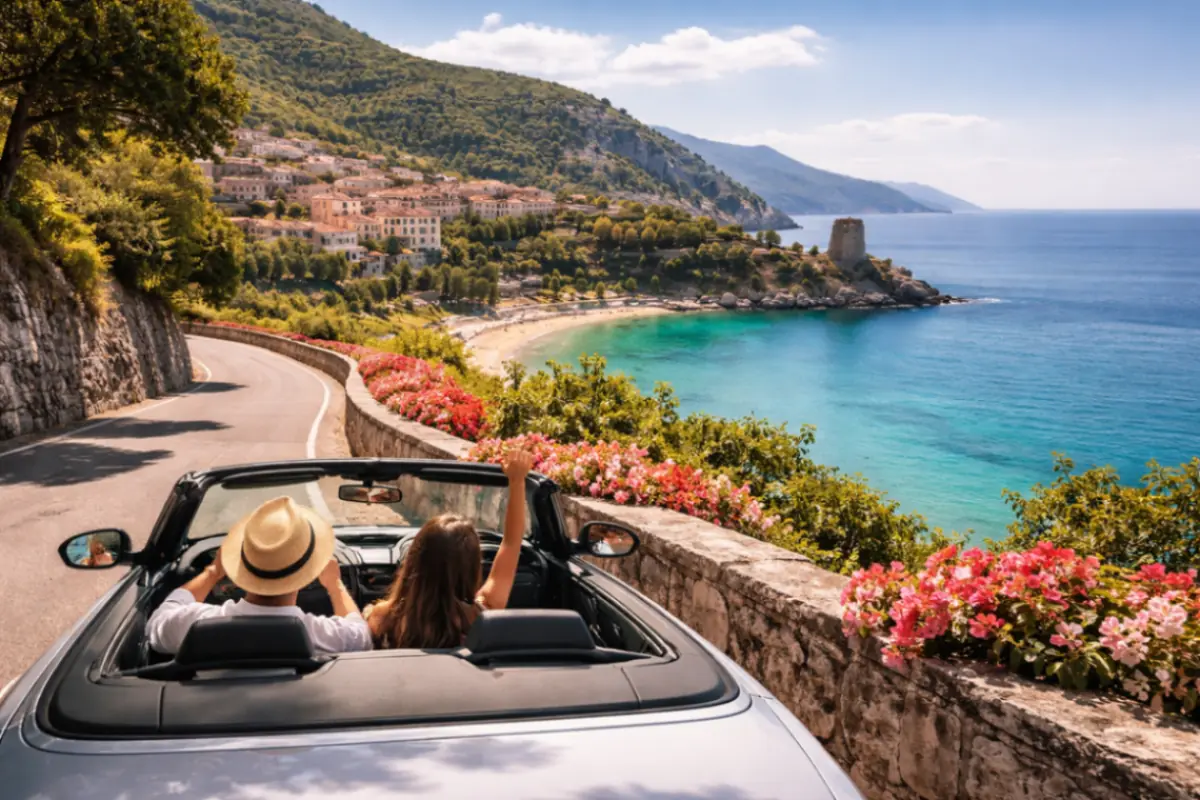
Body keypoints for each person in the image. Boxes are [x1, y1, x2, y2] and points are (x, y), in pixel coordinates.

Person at [146, 496, 372, 655]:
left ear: (241, 566)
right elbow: (362, 636)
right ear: (308, 573)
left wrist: (212, 572)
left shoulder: (194, 624)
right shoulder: (326, 636)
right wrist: (334, 585)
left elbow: (156, 625)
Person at [367, 449, 534, 649]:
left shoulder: (382, 618)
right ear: (471, 568)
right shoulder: (483, 615)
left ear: (415, 559)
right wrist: (517, 482)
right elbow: (511, 543)